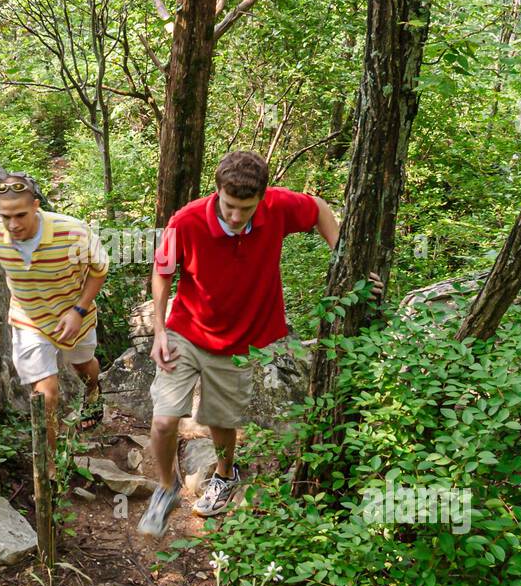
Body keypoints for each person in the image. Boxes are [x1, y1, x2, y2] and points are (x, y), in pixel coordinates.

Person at [137, 151, 383, 538]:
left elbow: (318, 208)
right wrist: (160, 332)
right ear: (217, 191)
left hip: (241, 339)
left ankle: (224, 474)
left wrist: (345, 258)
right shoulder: (185, 221)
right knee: (165, 419)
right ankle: (166, 487)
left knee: (222, 420)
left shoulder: (278, 207)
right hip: (187, 329)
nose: (236, 216)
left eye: (246, 208)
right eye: (229, 206)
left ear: (262, 198)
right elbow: (163, 272)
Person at [0, 173, 109, 464]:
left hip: (73, 316)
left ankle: (94, 390)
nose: (13, 224)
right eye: (6, 216)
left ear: (36, 205)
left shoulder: (73, 232)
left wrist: (79, 311)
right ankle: (50, 468)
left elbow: (99, 269)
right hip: (28, 320)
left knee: (82, 365)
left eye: (20, 215)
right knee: (45, 396)